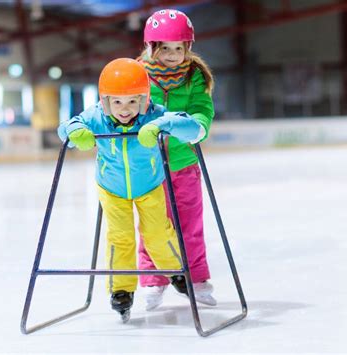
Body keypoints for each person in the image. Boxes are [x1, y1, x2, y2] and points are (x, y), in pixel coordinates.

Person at [57, 58, 206, 320]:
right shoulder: (97, 116)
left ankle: (176, 271)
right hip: (112, 188)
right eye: (116, 102)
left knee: (158, 233)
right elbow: (65, 127)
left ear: (143, 99)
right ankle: (121, 289)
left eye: (131, 102)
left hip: (149, 186)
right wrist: (76, 131)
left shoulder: (154, 113)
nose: (124, 109)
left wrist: (160, 125)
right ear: (105, 101)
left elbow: (192, 128)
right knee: (120, 237)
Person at [137, 9, 217, 311]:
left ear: (188, 48)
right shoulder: (138, 73)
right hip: (148, 165)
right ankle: (154, 279)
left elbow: (202, 107)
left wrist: (198, 126)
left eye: (179, 48)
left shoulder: (193, 75)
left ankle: (196, 278)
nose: (173, 55)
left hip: (184, 163)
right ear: (152, 47)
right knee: (152, 225)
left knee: (190, 224)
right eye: (165, 48)